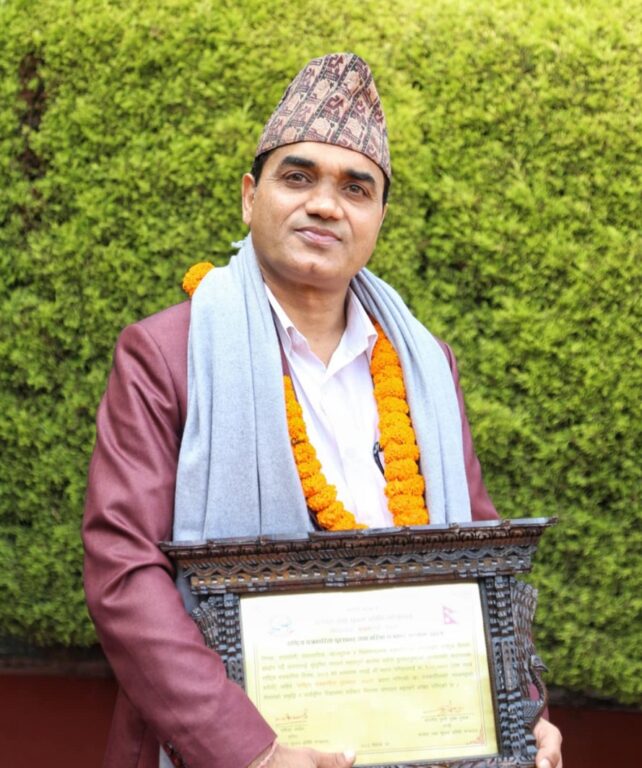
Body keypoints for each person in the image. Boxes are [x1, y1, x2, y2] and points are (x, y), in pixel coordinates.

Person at [83, 53, 562, 768]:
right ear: (250, 198)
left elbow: (479, 561)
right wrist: (251, 751)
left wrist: (522, 717)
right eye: (298, 177)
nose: (325, 205)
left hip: (421, 742)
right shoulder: (167, 354)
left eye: (355, 188)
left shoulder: (426, 365)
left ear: (379, 218)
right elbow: (124, 572)